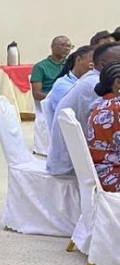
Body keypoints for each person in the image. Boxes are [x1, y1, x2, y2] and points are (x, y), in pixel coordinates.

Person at [47, 43, 120, 175]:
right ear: (103, 65)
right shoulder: (95, 85)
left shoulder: (93, 80)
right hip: (75, 166)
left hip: (78, 160)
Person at [87, 63, 120, 192]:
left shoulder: (102, 104)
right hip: (113, 174)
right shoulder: (117, 107)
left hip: (102, 172)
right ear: (118, 83)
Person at [44, 46, 94, 121]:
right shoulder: (62, 84)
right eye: (93, 62)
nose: (95, 66)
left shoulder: (93, 81)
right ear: (79, 59)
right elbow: (74, 112)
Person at [30, 36, 72, 101]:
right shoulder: (40, 66)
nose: (66, 48)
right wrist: (58, 98)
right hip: (50, 102)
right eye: (63, 45)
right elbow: (36, 94)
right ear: (53, 46)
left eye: (69, 46)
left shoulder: (72, 64)